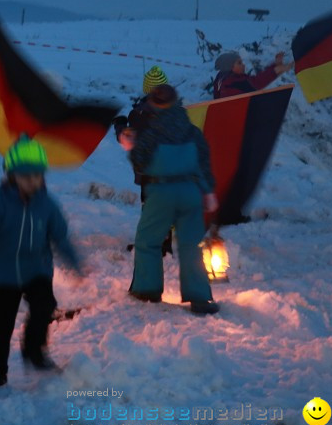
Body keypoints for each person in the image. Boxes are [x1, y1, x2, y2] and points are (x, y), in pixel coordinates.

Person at [0, 136, 84, 395]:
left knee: (45, 306)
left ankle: (34, 349)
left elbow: (61, 236)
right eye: (25, 176)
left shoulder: (47, 205)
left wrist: (75, 264)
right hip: (5, 273)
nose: (32, 181)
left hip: (37, 270)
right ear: (12, 176)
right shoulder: (0, 202)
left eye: (37, 176)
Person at [128, 84, 219, 315]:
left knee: (148, 240)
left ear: (155, 105)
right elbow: (204, 163)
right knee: (191, 244)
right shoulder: (192, 131)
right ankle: (199, 298)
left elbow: (139, 162)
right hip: (190, 192)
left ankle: (147, 290)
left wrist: (130, 145)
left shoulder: (152, 133)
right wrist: (208, 191)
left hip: (161, 192)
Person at [113, 65, 172, 255]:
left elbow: (128, 140)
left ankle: (152, 244)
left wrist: (120, 125)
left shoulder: (140, 114)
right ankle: (165, 243)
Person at [212, 51, 292, 99]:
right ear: (230, 67)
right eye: (239, 63)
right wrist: (276, 70)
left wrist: (275, 66)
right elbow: (257, 82)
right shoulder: (234, 82)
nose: (243, 65)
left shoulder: (221, 77)